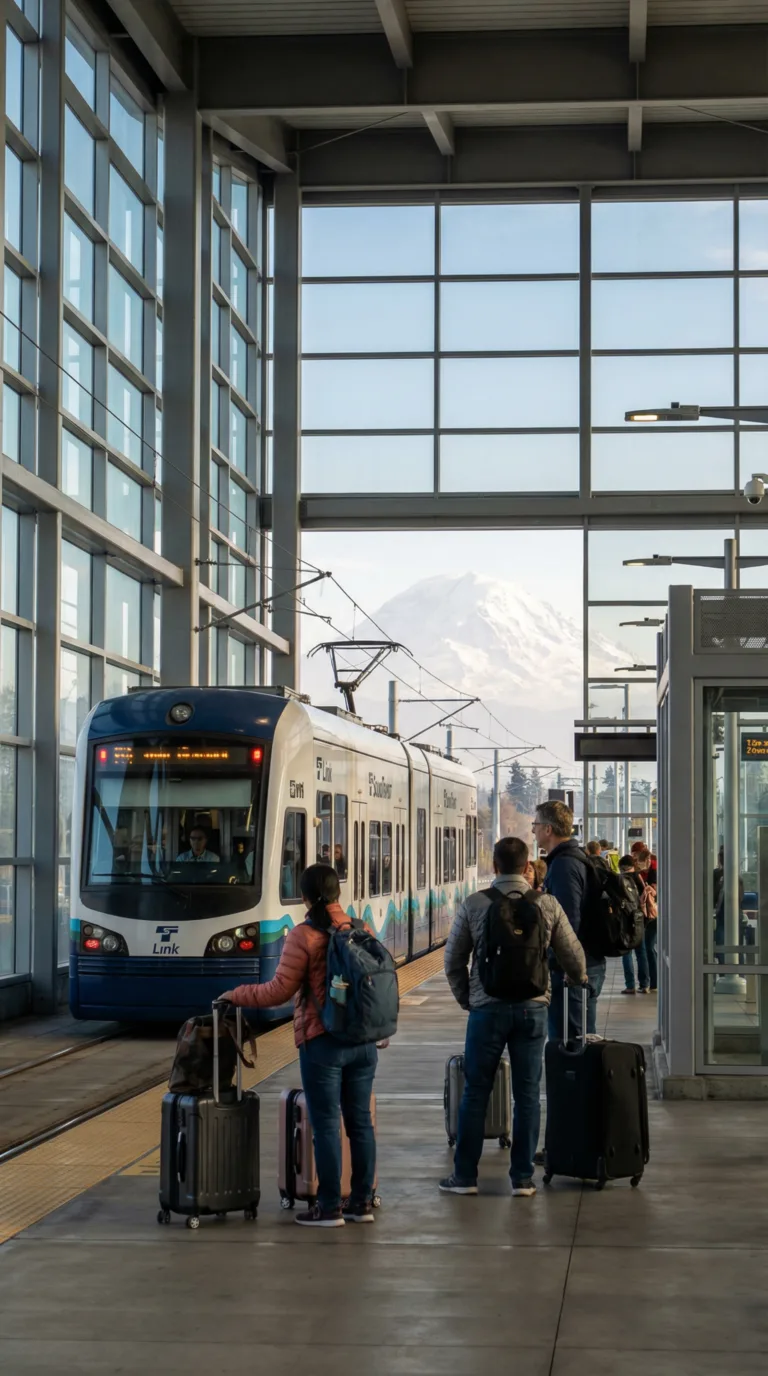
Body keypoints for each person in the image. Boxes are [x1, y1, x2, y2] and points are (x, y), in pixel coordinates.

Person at [220, 863, 378, 1228]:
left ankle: (328, 1207)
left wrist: (237, 994)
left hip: (323, 1042)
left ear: (304, 897)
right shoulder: (360, 928)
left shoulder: (304, 936)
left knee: (325, 1124)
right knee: (359, 1124)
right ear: (337, 892)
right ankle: (361, 1202)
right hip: (363, 1042)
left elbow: (279, 990)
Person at [440, 835, 586, 1198]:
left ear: (494, 866)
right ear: (527, 868)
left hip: (486, 1011)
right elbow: (575, 956)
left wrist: (468, 999)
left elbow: (452, 961)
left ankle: (464, 1178)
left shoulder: (475, 904)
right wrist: (576, 978)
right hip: (533, 1009)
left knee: (475, 1092)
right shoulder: (547, 904)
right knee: (527, 1094)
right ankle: (522, 1179)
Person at [532, 800, 606, 1041]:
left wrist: (565, 965)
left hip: (573, 969)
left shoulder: (565, 865)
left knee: (570, 1044)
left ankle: (574, 1079)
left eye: (536, 825)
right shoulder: (573, 858)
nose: (533, 830)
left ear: (548, 829)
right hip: (585, 962)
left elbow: (567, 920)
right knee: (580, 1040)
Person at [619, 854, 651, 995]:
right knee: (641, 952)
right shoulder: (638, 878)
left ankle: (630, 985)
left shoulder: (620, 880)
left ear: (621, 867)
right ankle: (645, 985)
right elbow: (644, 897)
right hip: (639, 918)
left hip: (625, 920)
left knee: (626, 953)